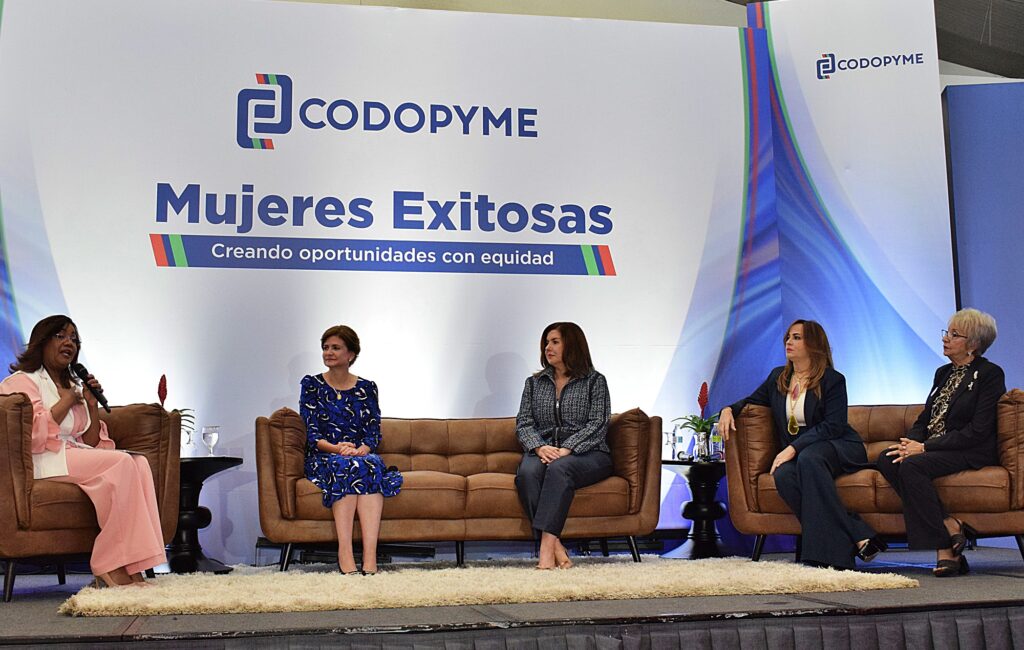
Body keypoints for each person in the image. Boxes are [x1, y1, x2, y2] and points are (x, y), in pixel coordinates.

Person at [0, 315, 165, 588]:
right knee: (122, 464)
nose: (69, 343)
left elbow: (89, 441)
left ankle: (134, 563)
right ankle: (108, 563)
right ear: (42, 341)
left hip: (72, 454)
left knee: (138, 463)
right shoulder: (21, 382)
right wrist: (66, 401)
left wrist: (89, 404)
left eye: (74, 339)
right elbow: (31, 436)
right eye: (61, 336)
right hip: (42, 459)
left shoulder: (74, 386)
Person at [719, 319, 883, 570]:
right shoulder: (779, 377)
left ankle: (830, 557)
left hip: (838, 445)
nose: (789, 342)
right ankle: (857, 534)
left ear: (813, 344)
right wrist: (728, 409)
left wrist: (793, 448)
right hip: (804, 453)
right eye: (788, 337)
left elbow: (834, 426)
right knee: (784, 476)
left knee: (809, 458)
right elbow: (752, 401)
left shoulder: (832, 379)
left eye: (797, 337)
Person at [877, 308, 1005, 577]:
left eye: (954, 334)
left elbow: (979, 430)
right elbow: (926, 418)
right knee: (887, 458)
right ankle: (949, 523)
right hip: (935, 447)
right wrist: (910, 442)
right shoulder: (943, 372)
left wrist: (924, 448)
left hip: (970, 450)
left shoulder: (990, 374)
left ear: (973, 344)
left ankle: (944, 550)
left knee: (913, 467)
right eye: (947, 332)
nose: (946, 338)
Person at [300, 325, 402, 574]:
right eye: (325, 348)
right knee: (344, 466)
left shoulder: (367, 388)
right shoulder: (312, 385)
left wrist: (362, 449)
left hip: (359, 454)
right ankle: (344, 552)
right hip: (326, 455)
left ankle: (370, 556)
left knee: (368, 464)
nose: (329, 353)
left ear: (351, 355)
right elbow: (312, 434)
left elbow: (372, 432)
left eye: (336, 348)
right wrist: (337, 449)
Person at [515, 322, 612, 570]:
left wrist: (568, 448)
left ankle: (546, 550)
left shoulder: (594, 381)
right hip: (545, 449)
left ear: (572, 344)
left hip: (588, 453)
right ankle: (557, 544)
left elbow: (598, 423)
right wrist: (538, 447)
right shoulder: (534, 383)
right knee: (527, 473)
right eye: (547, 342)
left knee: (560, 469)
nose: (548, 347)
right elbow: (524, 423)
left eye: (555, 342)